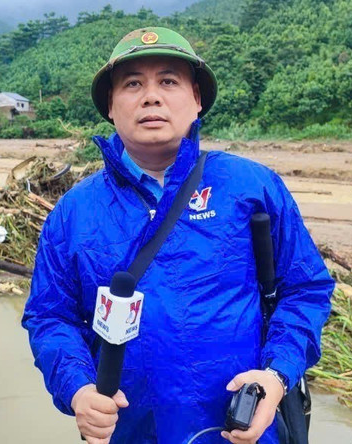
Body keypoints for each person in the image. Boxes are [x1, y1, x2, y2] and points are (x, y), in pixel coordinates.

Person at [22, 27, 334, 444]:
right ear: (111, 107)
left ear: (197, 100)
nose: (151, 96)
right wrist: (78, 390)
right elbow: (51, 317)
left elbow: (305, 290)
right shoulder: (73, 214)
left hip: (241, 431)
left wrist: (276, 376)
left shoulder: (252, 187)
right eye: (133, 84)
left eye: (168, 81)